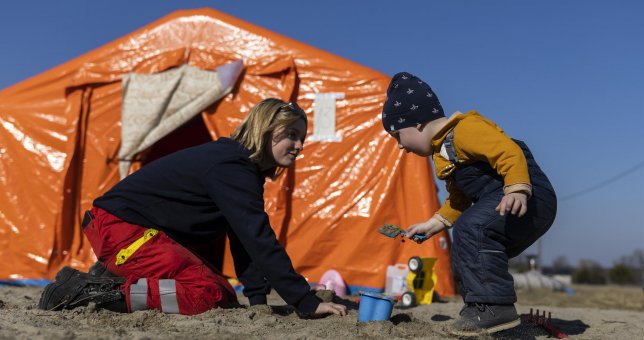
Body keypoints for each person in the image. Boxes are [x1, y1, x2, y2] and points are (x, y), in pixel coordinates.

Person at [39, 98, 347, 318]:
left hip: (125, 229)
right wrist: (304, 301)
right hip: (121, 229)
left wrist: (257, 299)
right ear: (266, 129)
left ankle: (110, 277)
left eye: (302, 137)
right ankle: (93, 292)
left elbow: (242, 238)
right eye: (291, 134)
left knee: (223, 293)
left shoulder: (240, 169)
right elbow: (258, 237)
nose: (299, 145)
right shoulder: (231, 167)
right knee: (207, 293)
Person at [381, 72, 556, 336]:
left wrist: (517, 188)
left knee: (471, 230)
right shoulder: (443, 155)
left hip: (529, 198)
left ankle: (495, 308)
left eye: (398, 136)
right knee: (467, 249)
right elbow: (459, 198)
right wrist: (434, 224)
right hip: (504, 202)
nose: (400, 147)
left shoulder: (464, 130)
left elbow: (508, 152)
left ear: (416, 124)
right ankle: (479, 309)